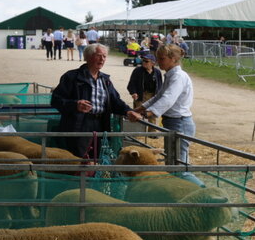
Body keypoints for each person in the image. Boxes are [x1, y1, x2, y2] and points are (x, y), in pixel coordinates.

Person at [51, 44, 142, 158]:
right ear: (88, 57)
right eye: (99, 55)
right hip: (79, 125)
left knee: (97, 158)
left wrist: (128, 111)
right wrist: (75, 105)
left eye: (104, 56)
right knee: (79, 160)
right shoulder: (71, 77)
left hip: (100, 124)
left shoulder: (105, 80)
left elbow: (115, 101)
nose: (102, 59)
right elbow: (56, 100)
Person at [134, 44, 203, 186]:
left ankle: (206, 194)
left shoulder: (178, 76)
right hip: (173, 122)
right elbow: (160, 96)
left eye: (162, 58)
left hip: (180, 122)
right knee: (173, 163)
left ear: (173, 59)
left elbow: (168, 99)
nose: (159, 61)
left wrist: (147, 113)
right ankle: (185, 194)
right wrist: (140, 108)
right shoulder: (171, 75)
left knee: (180, 168)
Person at [127, 53, 162, 130]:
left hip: (153, 95)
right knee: (138, 114)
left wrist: (159, 95)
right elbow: (131, 84)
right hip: (140, 95)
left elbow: (160, 85)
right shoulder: (137, 70)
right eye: (143, 61)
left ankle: (152, 133)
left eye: (146, 61)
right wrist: (133, 92)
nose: (144, 62)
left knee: (152, 114)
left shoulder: (157, 72)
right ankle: (137, 132)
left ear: (153, 63)